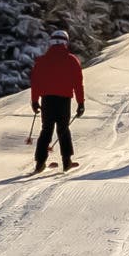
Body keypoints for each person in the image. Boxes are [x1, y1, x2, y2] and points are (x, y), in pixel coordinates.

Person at [29, 31, 85, 172]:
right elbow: (78, 84)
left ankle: (40, 162)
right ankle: (66, 161)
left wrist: (35, 101)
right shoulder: (72, 60)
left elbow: (36, 83)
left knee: (46, 130)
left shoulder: (42, 61)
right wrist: (80, 103)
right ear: (66, 42)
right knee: (63, 129)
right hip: (64, 100)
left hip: (47, 99)